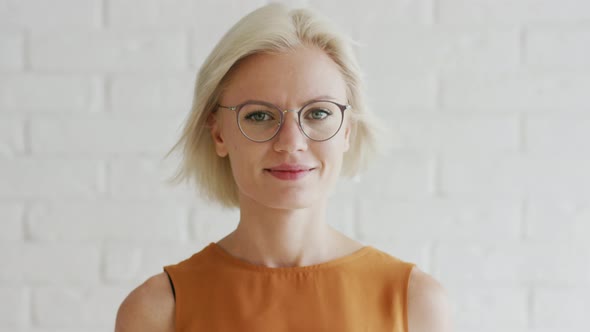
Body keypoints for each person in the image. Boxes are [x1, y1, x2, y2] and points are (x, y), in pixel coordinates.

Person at [115, 3, 452, 332]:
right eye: (259, 116)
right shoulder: (158, 310)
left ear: (347, 130)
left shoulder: (414, 303)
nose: (291, 142)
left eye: (318, 113)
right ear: (218, 132)